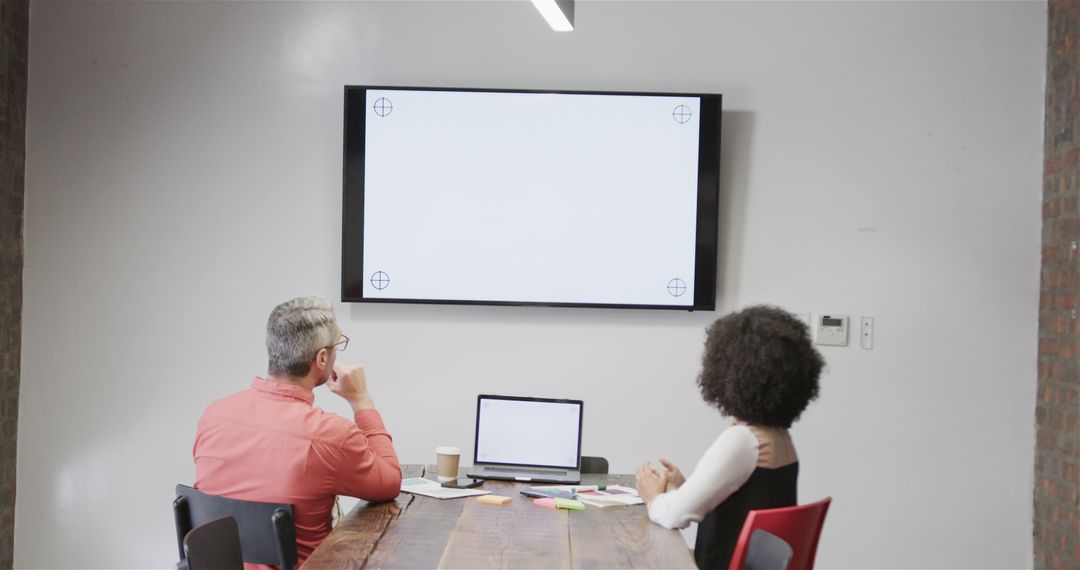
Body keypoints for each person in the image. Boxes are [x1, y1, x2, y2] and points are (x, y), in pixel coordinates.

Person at [193, 296, 401, 568]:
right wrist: (361, 399)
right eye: (338, 344)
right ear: (322, 358)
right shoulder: (331, 436)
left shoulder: (214, 416)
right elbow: (390, 482)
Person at [636, 305, 823, 569]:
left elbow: (674, 516)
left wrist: (652, 496)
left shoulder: (743, 441)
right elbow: (738, 502)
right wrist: (681, 488)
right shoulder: (780, 438)